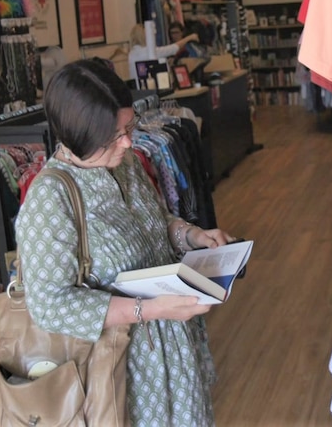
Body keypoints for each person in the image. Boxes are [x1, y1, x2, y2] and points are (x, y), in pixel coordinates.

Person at [15, 59, 235, 425]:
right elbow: (49, 304)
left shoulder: (125, 161)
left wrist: (192, 235)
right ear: (78, 135)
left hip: (172, 347)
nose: (129, 141)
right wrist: (149, 310)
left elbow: (153, 222)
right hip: (121, 369)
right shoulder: (49, 200)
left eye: (128, 127)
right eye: (114, 136)